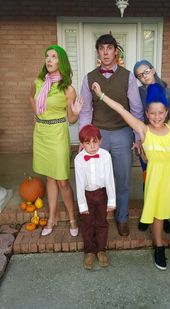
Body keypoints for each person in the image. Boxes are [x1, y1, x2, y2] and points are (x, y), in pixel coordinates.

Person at [91, 69, 170, 270]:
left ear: (166, 112)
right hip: (156, 178)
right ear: (146, 114)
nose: (157, 117)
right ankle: (159, 247)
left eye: (161, 113)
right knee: (158, 215)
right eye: (152, 113)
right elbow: (122, 110)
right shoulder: (143, 130)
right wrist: (101, 95)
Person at [79, 34, 144, 236]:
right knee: (95, 179)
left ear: (116, 51)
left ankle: (122, 218)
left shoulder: (128, 76)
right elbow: (85, 111)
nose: (106, 52)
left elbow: (136, 109)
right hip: (97, 137)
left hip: (122, 134)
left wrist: (137, 136)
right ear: (98, 52)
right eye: (101, 48)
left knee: (122, 179)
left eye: (109, 48)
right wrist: (84, 138)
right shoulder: (89, 77)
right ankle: (99, 219)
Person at [30, 45, 83, 237]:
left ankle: (72, 218)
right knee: (49, 178)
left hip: (58, 134)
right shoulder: (38, 82)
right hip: (41, 133)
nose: (49, 60)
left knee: (62, 180)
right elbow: (31, 98)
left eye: (53, 57)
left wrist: (76, 113)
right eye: (47, 57)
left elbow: (71, 119)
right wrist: (36, 114)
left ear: (61, 61)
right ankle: (51, 218)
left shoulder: (68, 89)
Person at [133, 60, 170, 233]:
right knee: (149, 179)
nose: (143, 77)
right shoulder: (138, 93)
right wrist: (138, 139)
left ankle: (164, 216)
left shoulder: (168, 92)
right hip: (146, 141)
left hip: (163, 143)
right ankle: (148, 212)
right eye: (139, 75)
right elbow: (135, 117)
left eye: (145, 72)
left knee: (164, 182)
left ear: (153, 70)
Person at [74, 124, 116, 270]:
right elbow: (79, 184)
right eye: (87, 142)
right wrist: (82, 205)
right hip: (87, 195)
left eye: (95, 141)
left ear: (101, 141)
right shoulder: (79, 159)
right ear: (82, 144)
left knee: (101, 222)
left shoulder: (105, 156)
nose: (92, 146)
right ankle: (90, 251)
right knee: (87, 223)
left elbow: (110, 179)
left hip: (102, 193)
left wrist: (111, 200)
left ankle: (101, 250)